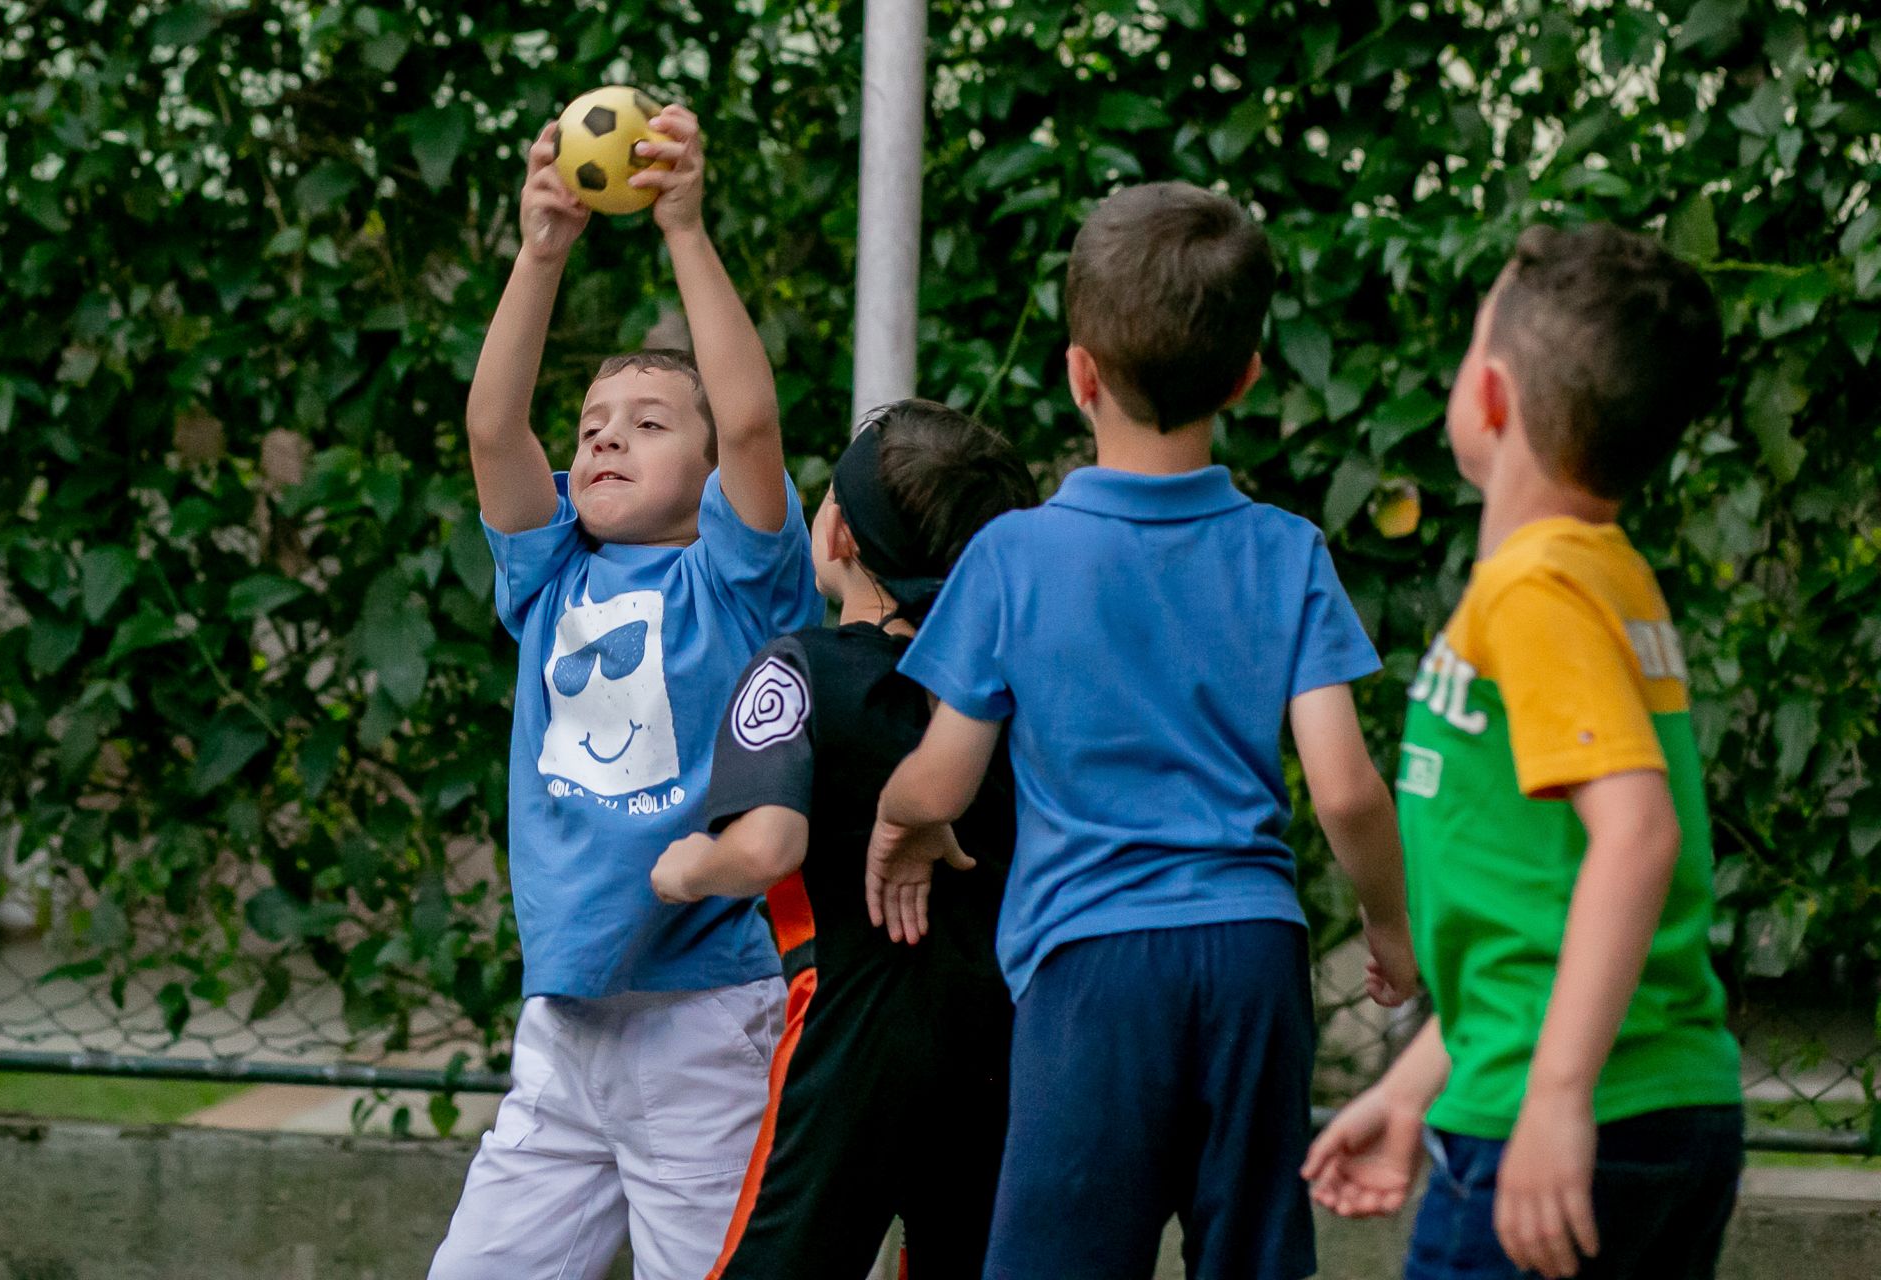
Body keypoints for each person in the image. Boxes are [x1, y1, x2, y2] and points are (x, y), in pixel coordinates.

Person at [866, 182, 1418, 1280]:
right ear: (1249, 374)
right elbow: (1348, 789)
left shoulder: (1015, 556)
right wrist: (1390, 926)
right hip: (1256, 956)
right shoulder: (1287, 550)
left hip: (1091, 968)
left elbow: (943, 775)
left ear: (1080, 371)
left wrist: (899, 823)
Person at [1302, 224, 1743, 1280]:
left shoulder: (1536, 588)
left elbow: (1637, 836)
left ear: (1491, 396)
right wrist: (1419, 1089)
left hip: (1568, 1117)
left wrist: (1550, 1099)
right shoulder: (1600, 578)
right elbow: (1538, 923)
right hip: (1639, 1097)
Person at [428, 104, 822, 1280]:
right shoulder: (549, 578)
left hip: (702, 1019)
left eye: (649, 425)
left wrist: (685, 228)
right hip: (564, 1024)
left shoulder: (737, 580)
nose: (605, 440)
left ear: (707, 479)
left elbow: (749, 417)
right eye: (594, 426)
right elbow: (494, 422)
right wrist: (539, 247)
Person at [649, 400, 1038, 1279]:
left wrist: (687, 870)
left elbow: (770, 847)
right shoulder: (1007, 694)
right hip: (996, 1041)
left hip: (851, 1038)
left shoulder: (799, 666)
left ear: (843, 537)